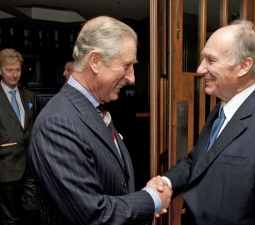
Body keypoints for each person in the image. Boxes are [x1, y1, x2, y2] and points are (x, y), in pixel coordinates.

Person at [157, 19, 255, 224]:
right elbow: (197, 162)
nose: (200, 68)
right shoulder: (222, 108)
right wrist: (164, 182)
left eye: (211, 61)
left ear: (244, 66)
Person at [29, 16, 172, 225]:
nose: (132, 77)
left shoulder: (95, 110)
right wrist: (151, 199)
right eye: (126, 65)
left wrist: (143, 197)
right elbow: (92, 215)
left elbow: (114, 185)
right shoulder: (57, 123)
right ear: (95, 61)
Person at [0, 48, 39, 224]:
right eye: (9, 70)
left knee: (33, 208)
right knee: (10, 217)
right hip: (6, 167)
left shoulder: (29, 96)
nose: (14, 74)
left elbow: (34, 129)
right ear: (0, 70)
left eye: (17, 70)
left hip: (30, 166)